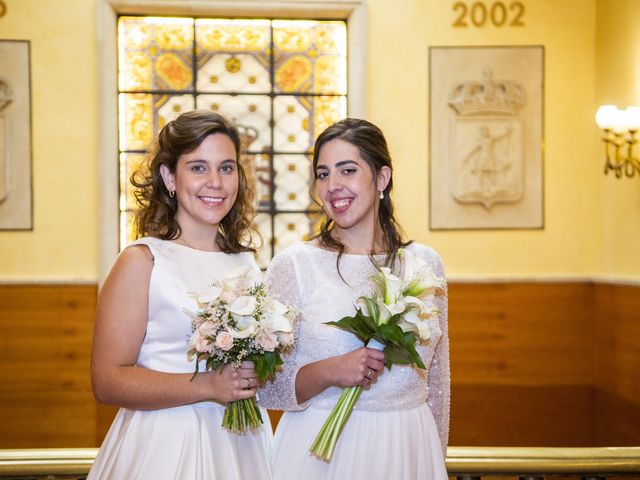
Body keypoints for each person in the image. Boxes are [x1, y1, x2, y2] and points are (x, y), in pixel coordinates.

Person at [259, 118, 450, 479]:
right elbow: (269, 388)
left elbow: (437, 384)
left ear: (381, 179)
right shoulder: (295, 265)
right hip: (321, 455)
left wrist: (434, 460)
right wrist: (332, 370)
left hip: (407, 449)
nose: (333, 186)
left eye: (348, 170)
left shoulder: (425, 264)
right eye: (323, 173)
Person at [88, 110, 272, 479]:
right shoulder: (142, 261)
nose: (216, 183)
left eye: (226, 168)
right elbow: (107, 380)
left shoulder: (248, 264)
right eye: (198, 167)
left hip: (241, 444)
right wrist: (209, 385)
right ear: (169, 177)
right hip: (166, 443)